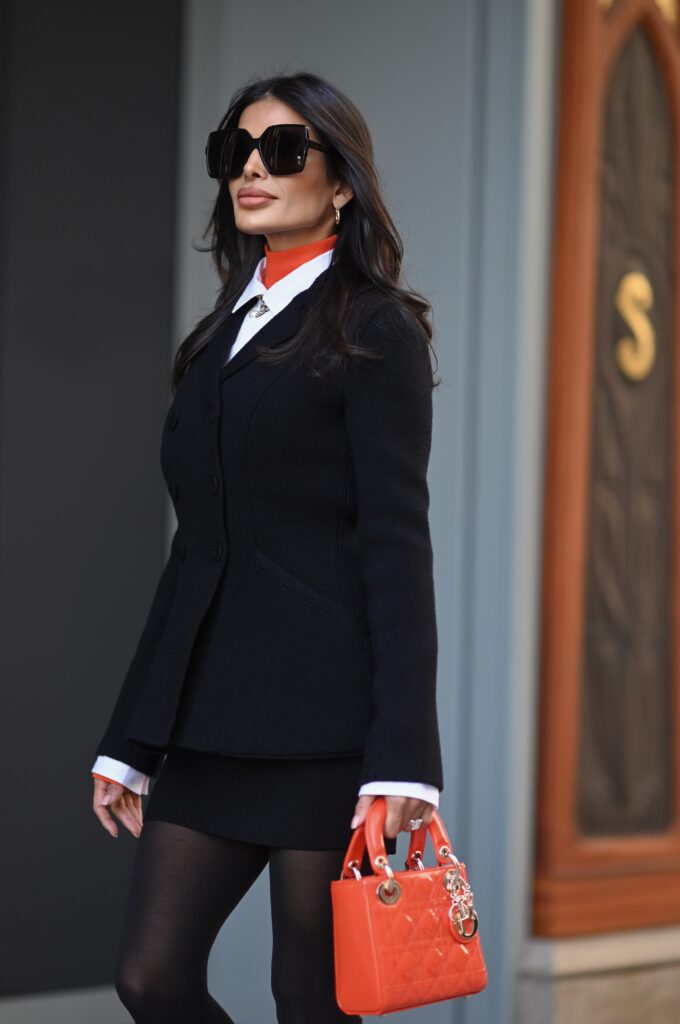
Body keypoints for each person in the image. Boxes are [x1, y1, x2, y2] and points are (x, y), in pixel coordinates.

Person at [90, 70, 444, 1024]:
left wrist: (403, 759)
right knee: (150, 977)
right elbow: (196, 551)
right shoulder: (219, 334)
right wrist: (129, 741)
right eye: (235, 151)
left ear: (339, 183)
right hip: (210, 722)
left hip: (327, 728)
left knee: (312, 999)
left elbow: (396, 549)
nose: (252, 168)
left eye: (282, 150)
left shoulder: (375, 330)